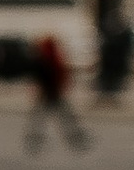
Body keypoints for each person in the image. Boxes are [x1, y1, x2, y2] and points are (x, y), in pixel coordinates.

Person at [26, 23, 89, 152]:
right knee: (62, 116)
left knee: (45, 117)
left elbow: (41, 75)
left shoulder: (45, 57)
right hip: (52, 91)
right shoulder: (51, 57)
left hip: (50, 91)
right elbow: (56, 73)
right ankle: (75, 138)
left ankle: (35, 139)